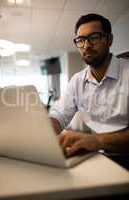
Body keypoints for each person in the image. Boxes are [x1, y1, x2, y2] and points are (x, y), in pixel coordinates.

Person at [49, 13, 129, 157]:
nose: (86, 45)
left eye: (93, 38)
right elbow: (59, 115)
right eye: (80, 40)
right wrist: (44, 130)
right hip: (98, 156)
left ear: (109, 40)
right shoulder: (77, 80)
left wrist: (98, 140)